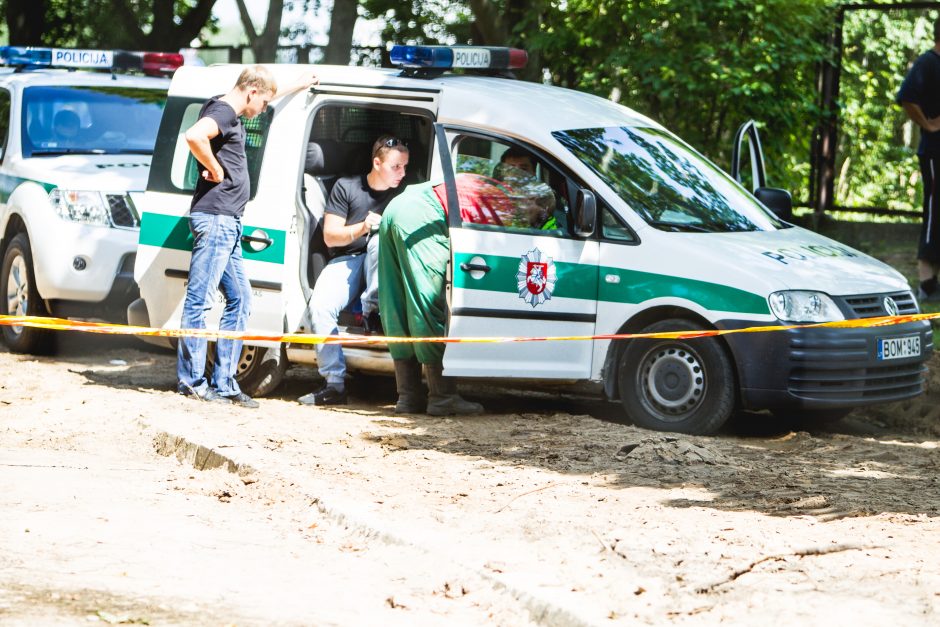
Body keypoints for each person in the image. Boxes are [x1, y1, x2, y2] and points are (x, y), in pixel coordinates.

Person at [178, 65, 318, 407]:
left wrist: (296, 85)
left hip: (229, 222)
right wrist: (213, 168)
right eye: (265, 101)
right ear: (251, 91)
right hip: (216, 219)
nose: (265, 108)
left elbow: (263, 92)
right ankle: (193, 382)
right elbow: (195, 136)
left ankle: (224, 383)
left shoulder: (228, 105)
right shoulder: (224, 111)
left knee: (241, 298)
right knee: (200, 300)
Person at [380, 172, 551, 415]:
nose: (536, 221)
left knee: (395, 303)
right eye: (540, 214)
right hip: (424, 215)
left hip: (397, 206)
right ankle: (442, 396)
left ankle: (408, 397)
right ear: (533, 201)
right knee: (427, 305)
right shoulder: (508, 204)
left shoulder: (494, 188)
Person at [298, 135, 409, 406]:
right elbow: (330, 237)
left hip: (386, 263)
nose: (403, 173)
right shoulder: (346, 187)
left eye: (405, 167)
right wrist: (362, 227)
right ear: (377, 163)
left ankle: (373, 313)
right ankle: (334, 384)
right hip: (347, 259)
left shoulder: (405, 196)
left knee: (379, 243)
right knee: (320, 307)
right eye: (396, 167)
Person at [897, 17, 940, 303]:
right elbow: (906, 97)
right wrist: (927, 124)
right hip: (936, 151)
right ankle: (927, 283)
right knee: (935, 210)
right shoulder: (927, 63)